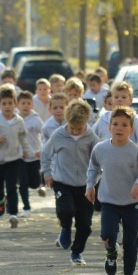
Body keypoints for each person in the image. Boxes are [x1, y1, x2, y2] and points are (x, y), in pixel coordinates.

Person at [86, 106, 138, 275]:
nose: (119, 128)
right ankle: (111, 253)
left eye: (124, 125)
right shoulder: (101, 149)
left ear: (131, 129)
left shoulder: (137, 152)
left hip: (132, 203)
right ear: (109, 127)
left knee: (131, 242)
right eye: (115, 124)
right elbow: (93, 168)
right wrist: (90, 185)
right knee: (107, 235)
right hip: (109, 201)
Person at [41, 99, 99, 266]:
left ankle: (77, 252)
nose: (75, 131)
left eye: (79, 128)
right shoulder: (58, 135)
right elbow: (46, 154)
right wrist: (47, 173)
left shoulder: (91, 137)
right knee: (66, 210)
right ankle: (65, 228)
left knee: (85, 224)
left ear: (86, 123)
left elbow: (98, 160)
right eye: (72, 128)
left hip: (85, 185)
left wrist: (95, 181)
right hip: (63, 182)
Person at [0, 84, 31, 228]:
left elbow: (23, 136)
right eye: (4, 104)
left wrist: (25, 149)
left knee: (12, 187)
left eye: (10, 103)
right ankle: (1, 200)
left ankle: (13, 214)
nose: (7, 106)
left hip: (13, 159)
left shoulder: (19, 120)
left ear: (15, 104)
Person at [93, 81, 138, 152]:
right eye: (116, 97)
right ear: (112, 100)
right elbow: (92, 138)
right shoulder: (104, 118)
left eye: (123, 97)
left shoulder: (134, 119)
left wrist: (133, 153)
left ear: (130, 100)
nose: (119, 100)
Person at [16, 90, 45, 212]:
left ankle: (39, 184)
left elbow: (45, 135)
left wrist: (41, 150)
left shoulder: (36, 119)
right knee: (23, 182)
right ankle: (26, 206)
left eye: (28, 103)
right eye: (23, 103)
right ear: (17, 104)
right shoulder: (14, 119)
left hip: (34, 156)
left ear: (32, 105)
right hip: (19, 156)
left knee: (34, 183)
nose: (26, 106)